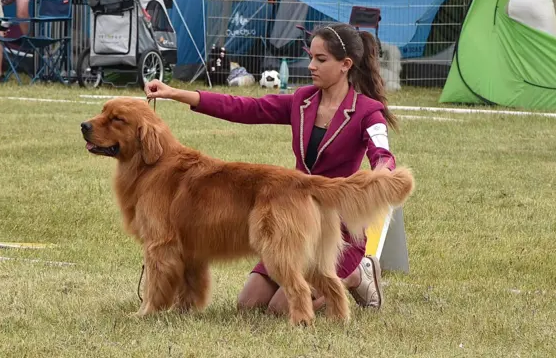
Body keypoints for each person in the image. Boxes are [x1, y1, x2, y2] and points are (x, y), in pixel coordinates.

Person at [143, 23, 398, 315]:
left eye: (321, 59)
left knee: (280, 308)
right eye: (311, 57)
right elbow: (245, 108)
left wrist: (383, 171)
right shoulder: (303, 101)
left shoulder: (367, 110)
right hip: (292, 214)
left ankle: (357, 273)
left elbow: (383, 154)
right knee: (248, 304)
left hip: (334, 225)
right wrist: (176, 93)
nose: (311, 65)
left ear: (345, 65)